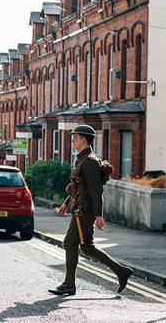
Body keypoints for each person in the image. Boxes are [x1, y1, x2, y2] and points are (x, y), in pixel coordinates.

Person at [49, 124, 133, 296]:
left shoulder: (89, 161)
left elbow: (96, 191)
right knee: (87, 247)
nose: (73, 140)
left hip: (84, 211)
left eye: (75, 138)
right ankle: (121, 271)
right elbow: (78, 187)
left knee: (70, 243)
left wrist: (99, 215)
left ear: (83, 139)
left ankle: (69, 285)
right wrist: (66, 202)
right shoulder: (82, 159)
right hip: (80, 208)